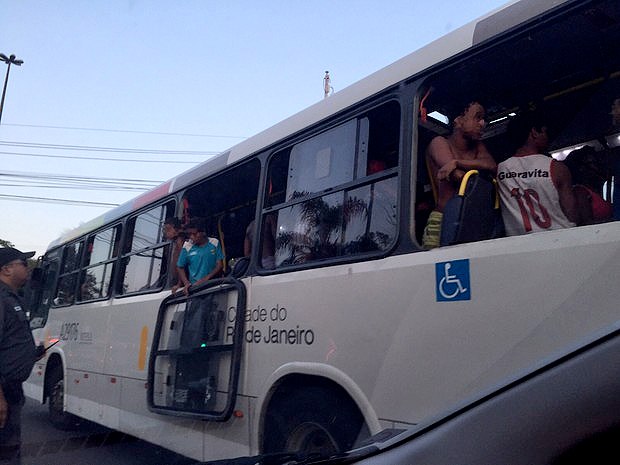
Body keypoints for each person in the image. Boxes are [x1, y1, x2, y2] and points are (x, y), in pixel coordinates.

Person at [422, 101, 497, 248]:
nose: (482, 123)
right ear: (458, 120)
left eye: (483, 119)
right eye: (477, 117)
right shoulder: (439, 142)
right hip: (444, 221)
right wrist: (462, 166)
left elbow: (492, 165)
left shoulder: (478, 146)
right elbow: (459, 178)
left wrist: (457, 162)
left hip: (471, 223)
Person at [497, 112, 577, 236]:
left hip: (521, 246)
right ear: (534, 132)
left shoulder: (500, 170)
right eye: (545, 132)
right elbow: (572, 215)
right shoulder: (557, 168)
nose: (547, 137)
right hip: (560, 238)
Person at [0, 247, 40, 464]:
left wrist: (30, 355)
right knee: (7, 452)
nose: (28, 268)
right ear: (6, 269)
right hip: (3, 389)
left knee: (10, 449)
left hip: (11, 389)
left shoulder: (13, 299)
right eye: (23, 263)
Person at [174, 218, 224, 295]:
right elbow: (180, 266)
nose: (191, 237)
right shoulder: (187, 246)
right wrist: (186, 283)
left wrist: (206, 278)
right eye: (189, 234)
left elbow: (219, 265)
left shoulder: (214, 242)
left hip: (214, 286)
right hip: (195, 289)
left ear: (203, 232)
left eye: (194, 234)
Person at [564, 146, 612, 225]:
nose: (597, 166)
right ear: (581, 168)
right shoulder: (580, 192)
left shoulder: (592, 190)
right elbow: (587, 224)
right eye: (592, 162)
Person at [162, 217, 187, 289]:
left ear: (178, 230)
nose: (166, 233)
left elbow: (182, 265)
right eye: (165, 230)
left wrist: (180, 283)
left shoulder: (181, 243)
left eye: (168, 229)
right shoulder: (173, 245)